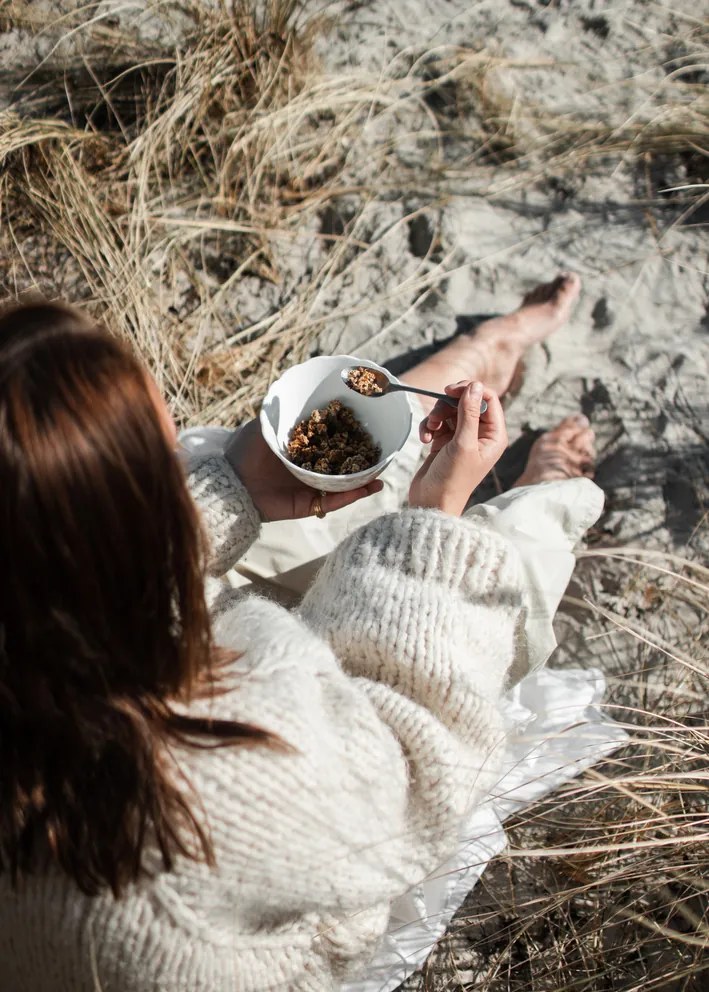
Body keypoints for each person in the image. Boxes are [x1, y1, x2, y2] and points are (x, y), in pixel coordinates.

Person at [0, 275, 602, 992]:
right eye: (162, 470)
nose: (176, 471)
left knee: (304, 467)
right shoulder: (201, 792)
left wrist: (226, 494)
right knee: (498, 569)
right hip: (300, 892)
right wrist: (437, 517)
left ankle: (477, 355)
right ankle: (552, 491)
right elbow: (418, 762)